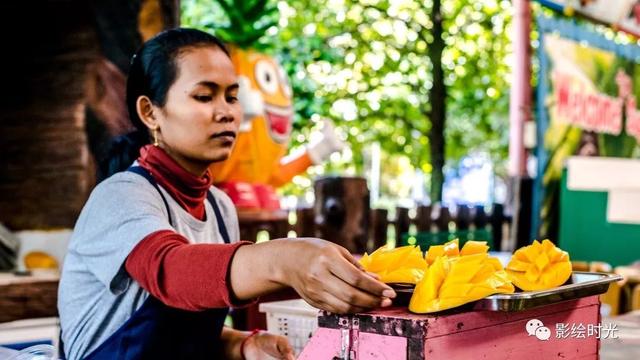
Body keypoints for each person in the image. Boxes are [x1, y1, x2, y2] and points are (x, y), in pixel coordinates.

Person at [57, 28, 396, 360]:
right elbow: (170, 272)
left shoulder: (219, 208)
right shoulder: (119, 197)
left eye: (232, 96)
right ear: (150, 112)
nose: (228, 112)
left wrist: (242, 345)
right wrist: (286, 259)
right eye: (204, 96)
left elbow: (182, 334)